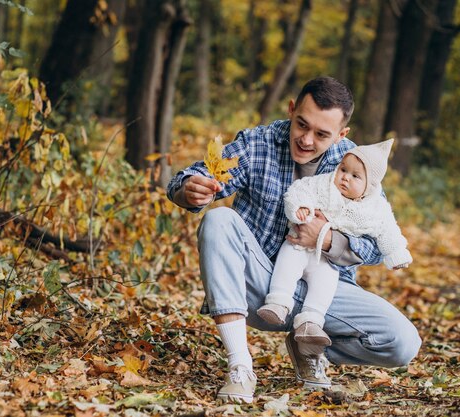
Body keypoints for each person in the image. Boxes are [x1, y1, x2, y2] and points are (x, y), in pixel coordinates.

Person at [166, 76, 421, 404]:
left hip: (324, 294)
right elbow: (191, 177)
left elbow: (376, 243)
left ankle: (308, 347)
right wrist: (190, 190)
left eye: (321, 134)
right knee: (218, 218)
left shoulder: (357, 167)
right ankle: (240, 367)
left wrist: (327, 240)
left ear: (341, 135)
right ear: (291, 110)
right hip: (260, 290)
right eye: (301, 124)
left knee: (402, 342)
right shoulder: (257, 143)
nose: (306, 139)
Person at [257, 138, 413, 348]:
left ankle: (310, 321)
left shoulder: (376, 208)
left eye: (355, 176)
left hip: (327, 259)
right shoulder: (324, 184)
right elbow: (300, 189)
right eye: (343, 169)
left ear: (370, 185)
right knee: (287, 262)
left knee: (326, 284)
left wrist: (396, 253)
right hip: (299, 244)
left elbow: (388, 231)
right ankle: (278, 302)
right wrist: (300, 206)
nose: (345, 178)